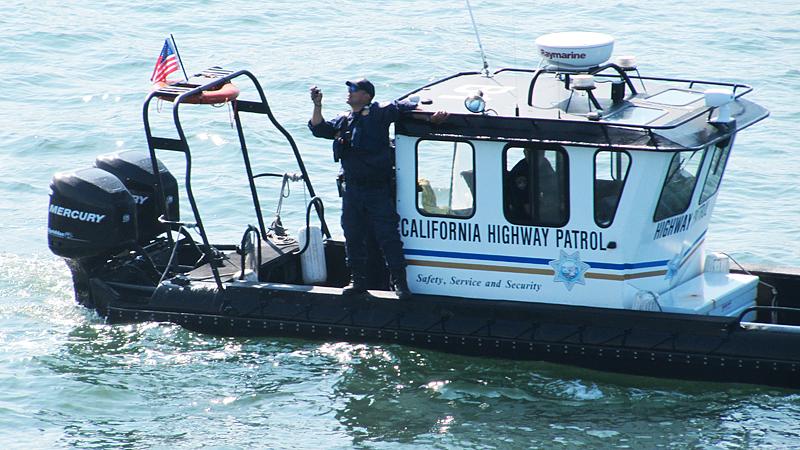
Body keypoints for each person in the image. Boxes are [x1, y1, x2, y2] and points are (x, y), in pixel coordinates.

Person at [308, 78, 446, 300]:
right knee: (353, 235)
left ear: (366, 95)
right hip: (352, 191)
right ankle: (358, 281)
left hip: (377, 190)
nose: (349, 93)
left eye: (353, 90)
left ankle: (400, 283)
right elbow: (318, 128)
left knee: (388, 237)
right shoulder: (345, 120)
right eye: (349, 89)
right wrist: (317, 105)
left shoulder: (380, 112)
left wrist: (433, 118)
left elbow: (408, 108)